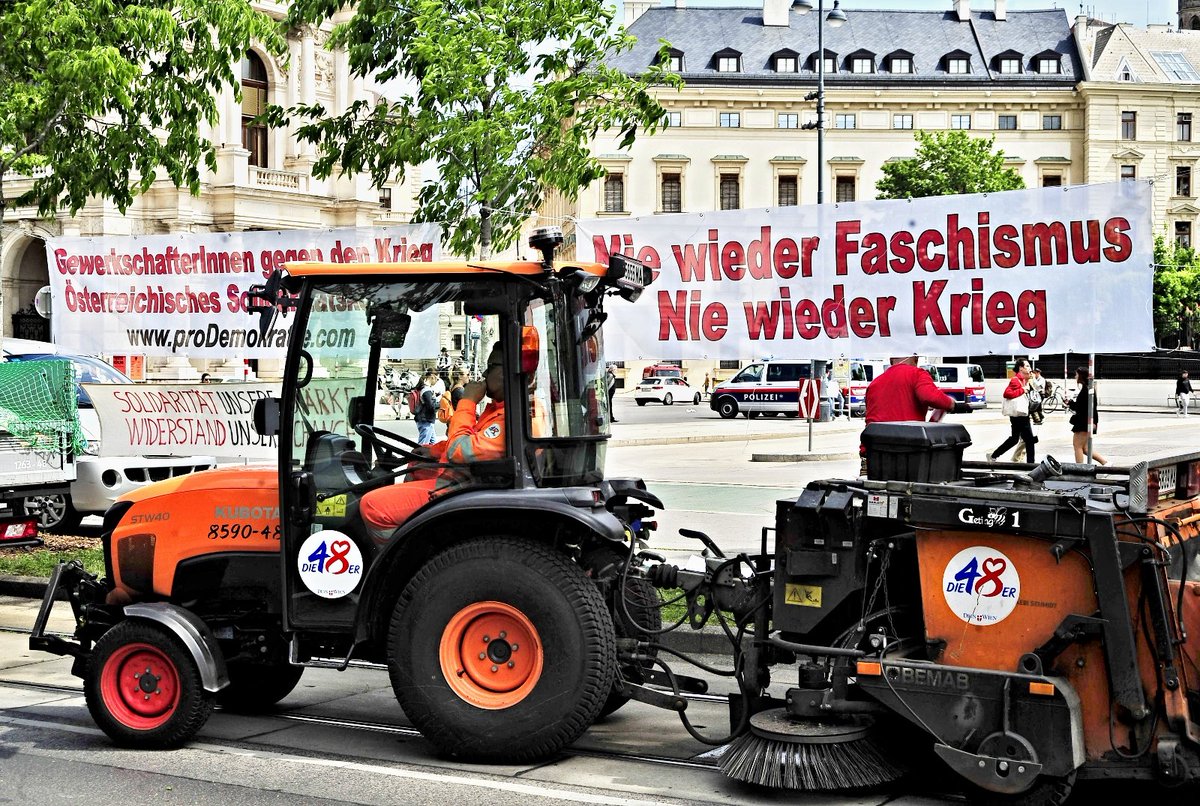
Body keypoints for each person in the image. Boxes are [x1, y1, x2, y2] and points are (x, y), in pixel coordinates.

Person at [360, 343, 509, 542]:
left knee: (371, 506)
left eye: (491, 366)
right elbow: (472, 442)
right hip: (469, 484)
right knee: (417, 465)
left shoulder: (509, 416)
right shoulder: (500, 410)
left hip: (465, 492)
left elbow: (459, 450)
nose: (483, 372)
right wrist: (432, 451)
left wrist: (468, 402)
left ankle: (412, 558)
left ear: (510, 371)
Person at [864, 356, 963, 424]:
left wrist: (864, 448)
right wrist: (952, 404)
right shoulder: (916, 374)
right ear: (915, 359)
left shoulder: (874, 384)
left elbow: (870, 419)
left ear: (891, 360)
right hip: (909, 447)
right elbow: (930, 397)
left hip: (876, 448)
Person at [988, 359, 1036, 464]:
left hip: (1020, 414)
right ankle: (1031, 465)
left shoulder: (1025, 380)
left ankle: (993, 455)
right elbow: (1007, 394)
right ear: (1021, 368)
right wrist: (1022, 390)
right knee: (1029, 440)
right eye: (1027, 366)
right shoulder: (1015, 380)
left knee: (1015, 439)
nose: (1029, 368)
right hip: (1019, 415)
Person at [1069, 366, 1108, 465]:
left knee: (1077, 446)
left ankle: (1080, 469)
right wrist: (1070, 403)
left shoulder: (1086, 390)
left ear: (1081, 376)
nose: (1075, 377)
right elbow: (1084, 406)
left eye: (1077, 375)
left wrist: (1071, 404)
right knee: (1085, 448)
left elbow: (1084, 408)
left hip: (1083, 422)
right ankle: (1105, 463)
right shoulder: (1088, 389)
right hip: (1086, 421)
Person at [414, 371, 440, 445]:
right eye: (437, 379)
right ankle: (416, 456)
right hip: (425, 419)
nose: (437, 381)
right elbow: (431, 406)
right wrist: (441, 404)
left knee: (433, 443)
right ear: (432, 377)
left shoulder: (424, 388)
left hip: (426, 419)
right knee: (423, 444)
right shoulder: (426, 390)